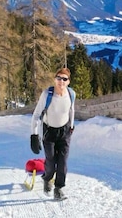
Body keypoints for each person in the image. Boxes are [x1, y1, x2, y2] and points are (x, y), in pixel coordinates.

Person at [30, 68, 75, 200]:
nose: (61, 81)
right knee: (50, 161)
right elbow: (37, 114)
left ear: (68, 81)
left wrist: (71, 126)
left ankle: (59, 188)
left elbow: (72, 110)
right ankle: (47, 178)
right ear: (55, 79)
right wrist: (34, 135)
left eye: (64, 79)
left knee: (63, 162)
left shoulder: (71, 94)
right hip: (49, 131)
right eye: (59, 78)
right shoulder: (47, 94)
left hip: (65, 131)